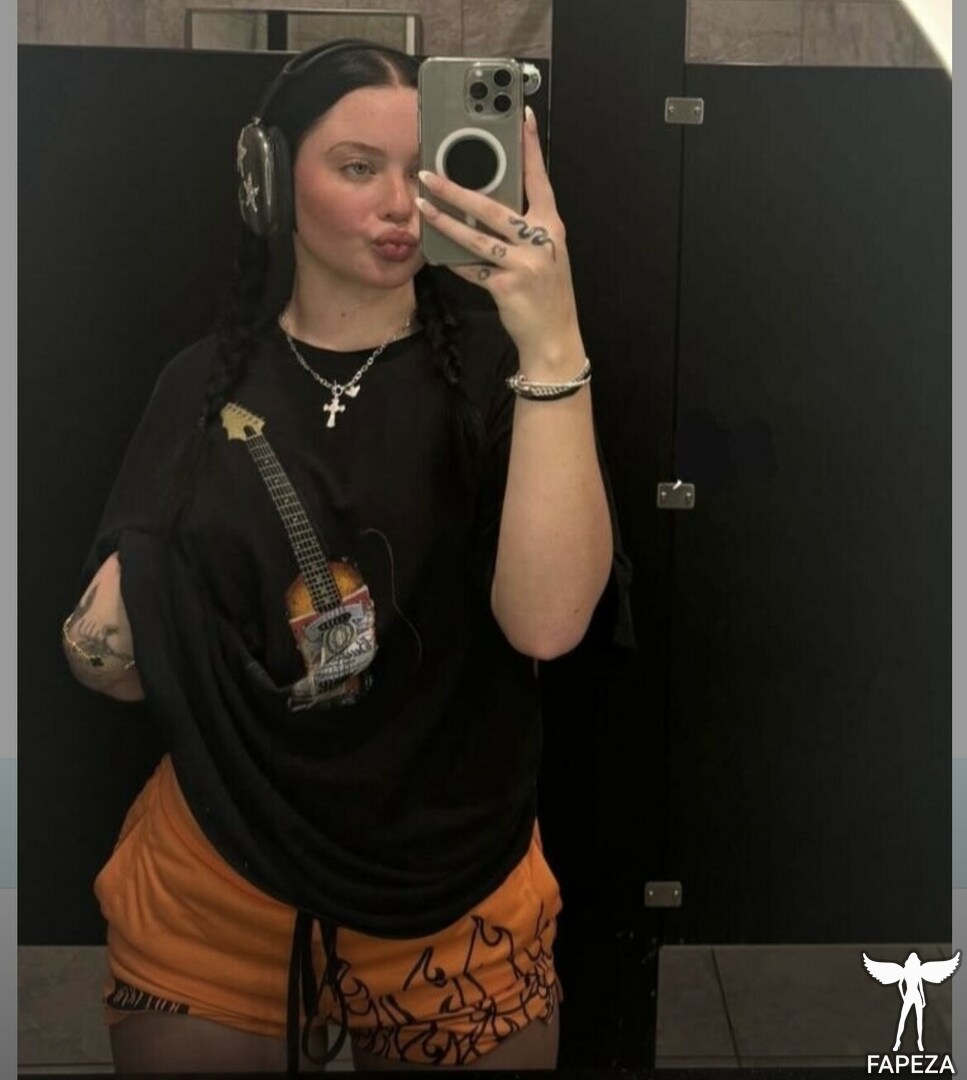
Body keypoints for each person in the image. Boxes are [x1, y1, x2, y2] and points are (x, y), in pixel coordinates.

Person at [62, 39, 622, 1075]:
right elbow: (111, 663)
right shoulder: (200, 385)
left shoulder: (505, 377)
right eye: (358, 168)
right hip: (214, 885)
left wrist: (553, 342)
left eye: (424, 169)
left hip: (455, 890)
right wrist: (112, 628)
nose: (400, 205)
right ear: (272, 181)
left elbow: (546, 624)